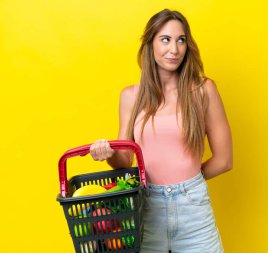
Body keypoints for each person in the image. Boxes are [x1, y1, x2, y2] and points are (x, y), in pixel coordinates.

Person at [90, 9, 233, 253]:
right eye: (165, 39)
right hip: (146, 208)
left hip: (194, 211)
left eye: (181, 40)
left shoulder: (202, 90)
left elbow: (224, 160)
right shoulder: (130, 97)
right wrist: (108, 152)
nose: (174, 49)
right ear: (150, 44)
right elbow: (124, 159)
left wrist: (187, 183)